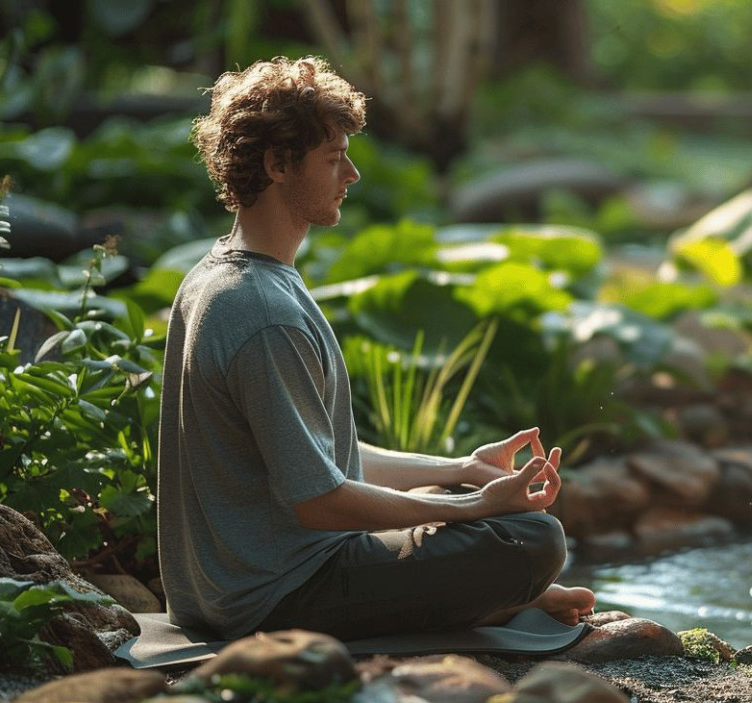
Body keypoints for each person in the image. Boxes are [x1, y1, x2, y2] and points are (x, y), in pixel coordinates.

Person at [157, 56, 594, 641]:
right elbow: (320, 501)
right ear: (278, 165)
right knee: (533, 539)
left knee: (459, 491)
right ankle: (495, 600)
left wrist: (463, 470)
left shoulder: (218, 276)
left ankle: (491, 589)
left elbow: (321, 459)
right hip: (274, 597)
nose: (353, 174)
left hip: (238, 585)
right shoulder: (263, 312)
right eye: (334, 158)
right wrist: (477, 508)